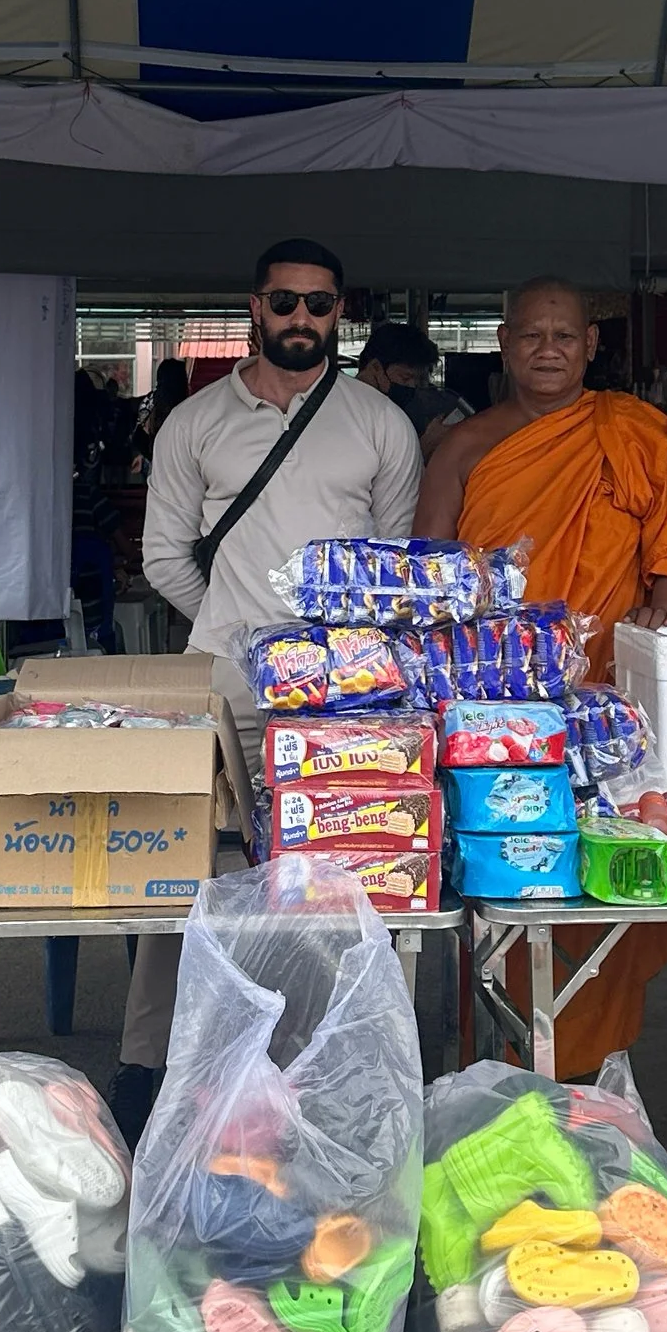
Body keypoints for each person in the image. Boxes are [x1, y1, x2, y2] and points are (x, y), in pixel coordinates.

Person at [126, 237, 420, 1137]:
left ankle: (360, 1063)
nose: (302, 319)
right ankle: (153, 1068)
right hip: (226, 688)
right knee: (193, 874)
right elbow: (163, 556)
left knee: (358, 876)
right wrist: (240, 629)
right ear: (255, 307)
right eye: (284, 302)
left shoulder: (380, 424)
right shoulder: (195, 423)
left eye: (320, 304)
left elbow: (392, 566)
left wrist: (333, 658)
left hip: (347, 704)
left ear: (342, 312)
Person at [418, 276, 667, 1073]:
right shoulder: (466, 447)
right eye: (532, 335)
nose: (549, 349)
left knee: (609, 881)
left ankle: (586, 1071)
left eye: (565, 335)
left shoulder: (626, 433)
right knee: (503, 885)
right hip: (496, 715)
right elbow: (426, 583)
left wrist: (661, 612)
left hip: (607, 712)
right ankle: (499, 1064)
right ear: (504, 342)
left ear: (592, 344)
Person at [356, 318, 464, 454]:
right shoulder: (350, 414)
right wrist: (426, 445)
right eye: (405, 378)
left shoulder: (403, 411)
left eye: (418, 380)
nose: (412, 386)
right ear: (375, 368)